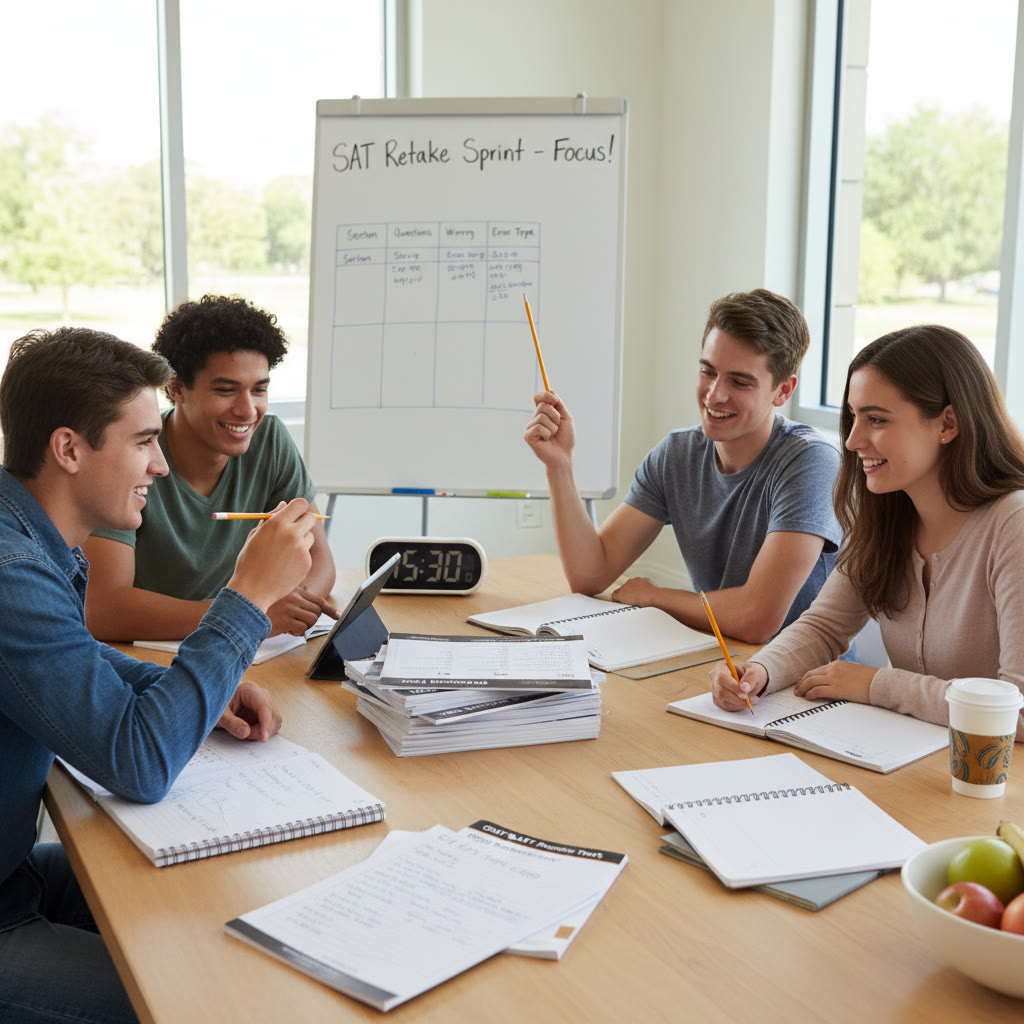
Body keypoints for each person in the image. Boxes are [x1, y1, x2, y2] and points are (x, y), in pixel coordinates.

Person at [0, 326, 317, 1023]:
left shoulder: (23, 538)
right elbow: (139, 761)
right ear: (69, 449)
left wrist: (197, 686)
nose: (161, 467)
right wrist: (246, 600)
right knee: (211, 999)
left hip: (14, 880)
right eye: (144, 442)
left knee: (228, 908)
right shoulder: (11, 573)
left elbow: (78, 662)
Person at [710, 324, 1024, 739]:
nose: (854, 440)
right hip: (917, 762)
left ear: (948, 422)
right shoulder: (886, 516)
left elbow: (1016, 710)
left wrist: (877, 684)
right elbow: (823, 628)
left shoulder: (1013, 525)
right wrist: (760, 672)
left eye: (876, 419)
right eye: (853, 417)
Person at [524, 288, 843, 644]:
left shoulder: (811, 461)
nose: (714, 395)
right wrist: (560, 465)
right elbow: (590, 574)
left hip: (807, 685)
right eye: (708, 371)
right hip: (719, 660)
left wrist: (654, 597)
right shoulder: (677, 454)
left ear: (783, 391)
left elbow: (758, 619)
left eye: (739, 382)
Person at [83, 294, 337, 642]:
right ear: (176, 387)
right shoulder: (130, 455)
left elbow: (319, 561)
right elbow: (103, 609)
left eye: (259, 389)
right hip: (148, 658)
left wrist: (277, 611)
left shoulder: (271, 440)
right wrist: (249, 612)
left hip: (239, 649)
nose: (247, 411)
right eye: (226, 390)